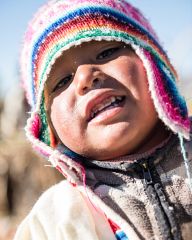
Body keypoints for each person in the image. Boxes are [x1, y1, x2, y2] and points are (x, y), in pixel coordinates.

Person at [14, 0, 192, 239]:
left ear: (155, 65)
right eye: (62, 81)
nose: (86, 77)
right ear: (48, 130)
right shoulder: (55, 220)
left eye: (106, 52)